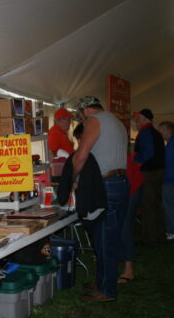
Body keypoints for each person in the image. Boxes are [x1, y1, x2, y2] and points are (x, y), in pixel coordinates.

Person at [71, 96, 128, 302]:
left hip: (105, 185)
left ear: (85, 110)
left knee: (103, 240)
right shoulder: (115, 121)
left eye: (80, 115)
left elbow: (81, 155)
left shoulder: (94, 121)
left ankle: (106, 290)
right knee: (111, 238)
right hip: (120, 182)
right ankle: (106, 281)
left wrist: (72, 179)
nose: (81, 119)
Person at [133, 109, 166, 244]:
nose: (136, 122)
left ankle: (150, 238)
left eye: (138, 119)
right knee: (156, 204)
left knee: (147, 206)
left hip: (148, 172)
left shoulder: (145, 132)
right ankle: (160, 235)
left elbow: (148, 153)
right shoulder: (155, 133)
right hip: (158, 170)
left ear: (146, 119)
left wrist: (134, 160)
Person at [118, 150, 142, 283]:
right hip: (127, 183)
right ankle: (120, 256)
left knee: (124, 227)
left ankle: (129, 270)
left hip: (130, 186)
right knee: (120, 225)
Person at [158, 121, 174, 240]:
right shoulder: (173, 143)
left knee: (169, 204)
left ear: (169, 130)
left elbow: (166, 160)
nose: (160, 132)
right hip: (172, 177)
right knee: (168, 203)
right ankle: (172, 230)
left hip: (170, 178)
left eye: (162, 129)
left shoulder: (172, 143)